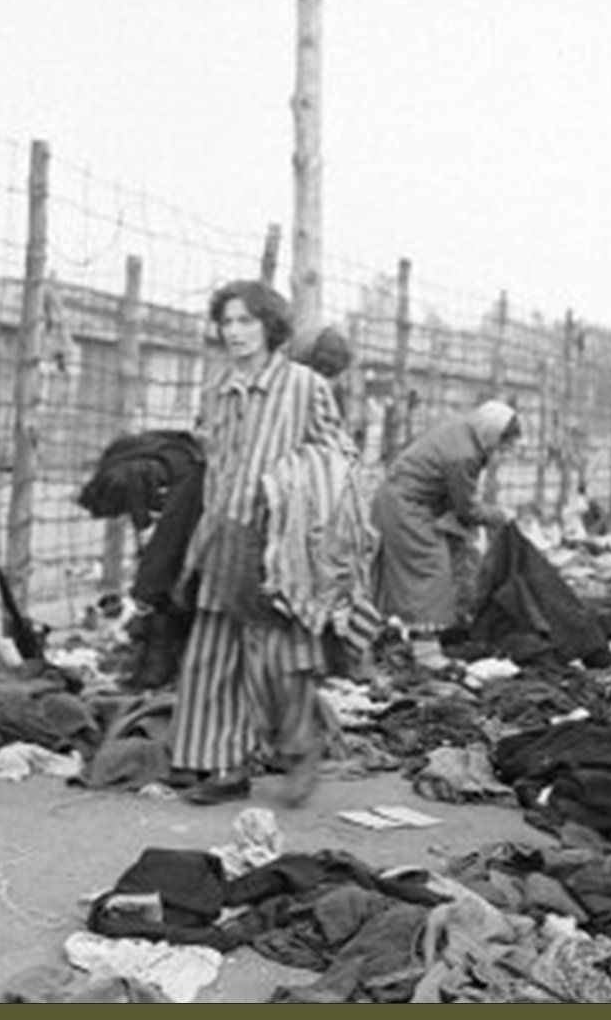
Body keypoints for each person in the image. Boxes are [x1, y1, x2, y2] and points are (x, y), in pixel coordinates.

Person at [167, 280, 351, 806]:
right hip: (226, 531)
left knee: (278, 656)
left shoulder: (304, 386)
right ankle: (221, 764)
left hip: (282, 542)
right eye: (227, 322)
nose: (235, 332)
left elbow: (338, 454)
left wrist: (293, 488)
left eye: (246, 321)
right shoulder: (218, 391)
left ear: (270, 327)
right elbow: (216, 467)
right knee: (212, 649)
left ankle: (300, 748)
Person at [368, 400, 521, 636]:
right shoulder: (465, 456)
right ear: (491, 435)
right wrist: (500, 515)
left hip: (403, 501)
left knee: (435, 566)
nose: (502, 453)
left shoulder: (466, 430)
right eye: (503, 446)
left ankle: (399, 631)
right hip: (406, 507)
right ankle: (426, 647)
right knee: (432, 573)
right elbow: (467, 510)